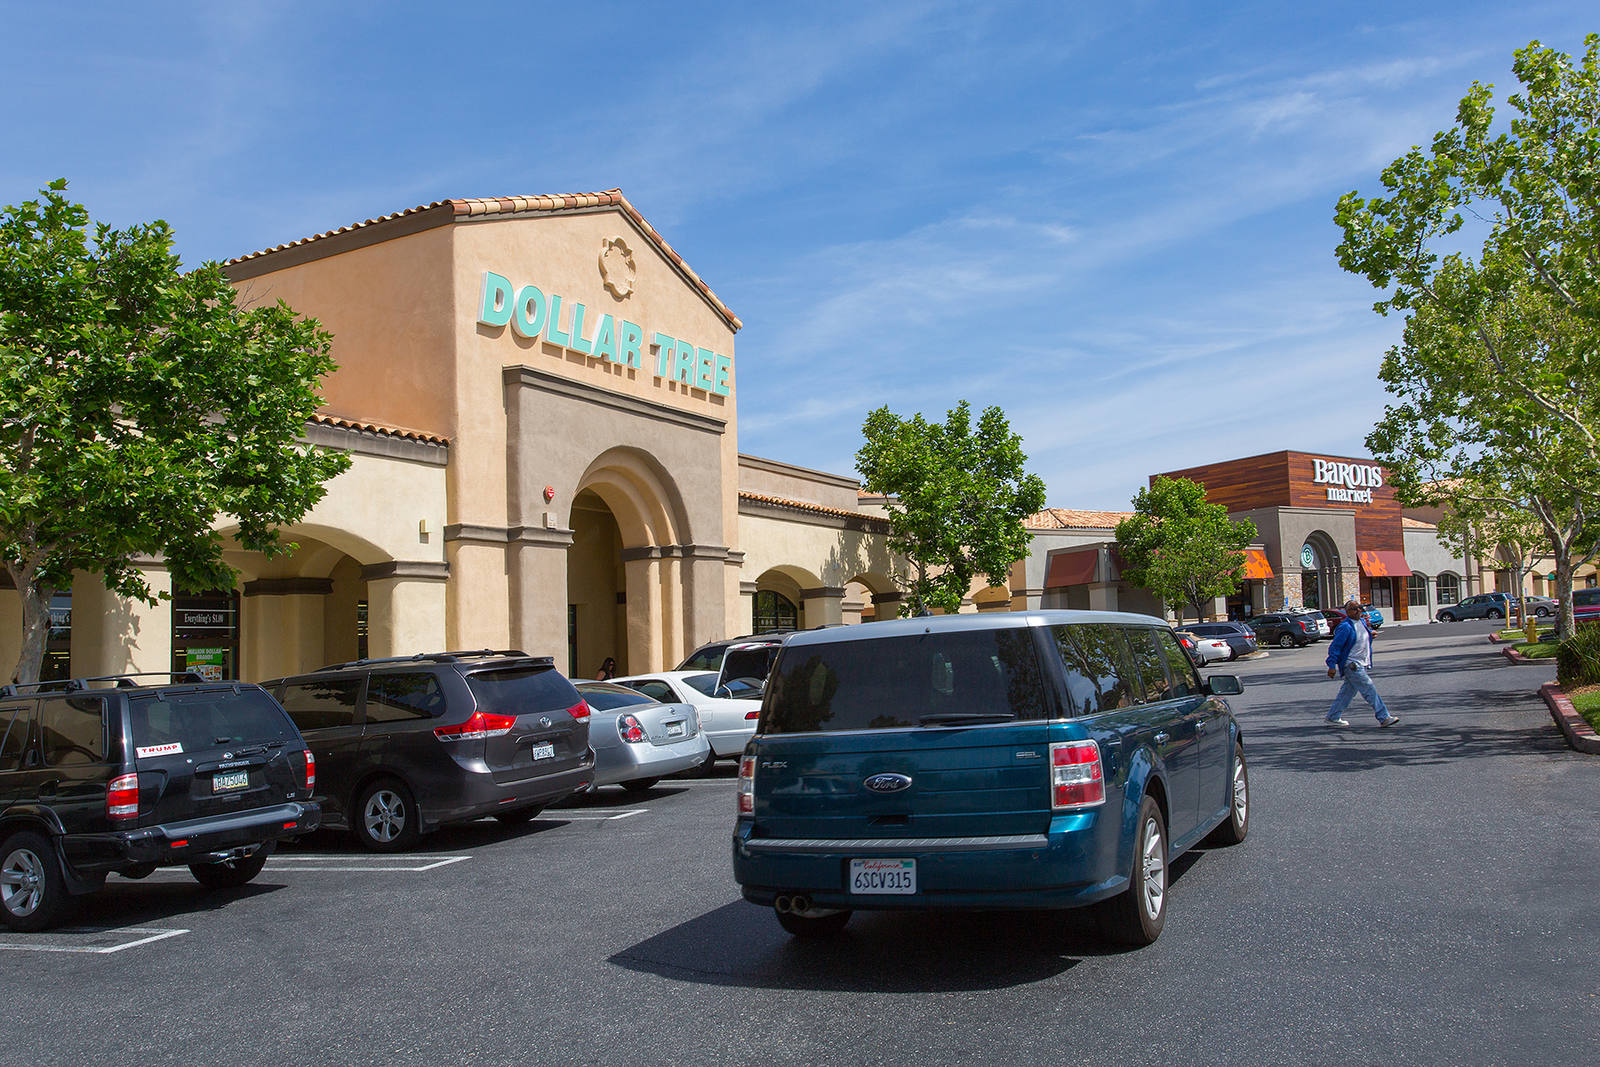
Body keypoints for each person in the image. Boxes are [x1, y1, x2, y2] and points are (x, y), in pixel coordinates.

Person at [1323, 599, 1398, 728]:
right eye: (1354, 608)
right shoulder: (1345, 627)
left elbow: (1362, 639)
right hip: (1352, 665)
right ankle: (1383, 717)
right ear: (1347, 612)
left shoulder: (1362, 622)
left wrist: (1370, 635)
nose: (1358, 610)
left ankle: (1333, 716)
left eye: (1359, 607)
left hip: (1362, 662)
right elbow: (1335, 647)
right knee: (1369, 688)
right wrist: (1331, 666)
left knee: (1347, 693)